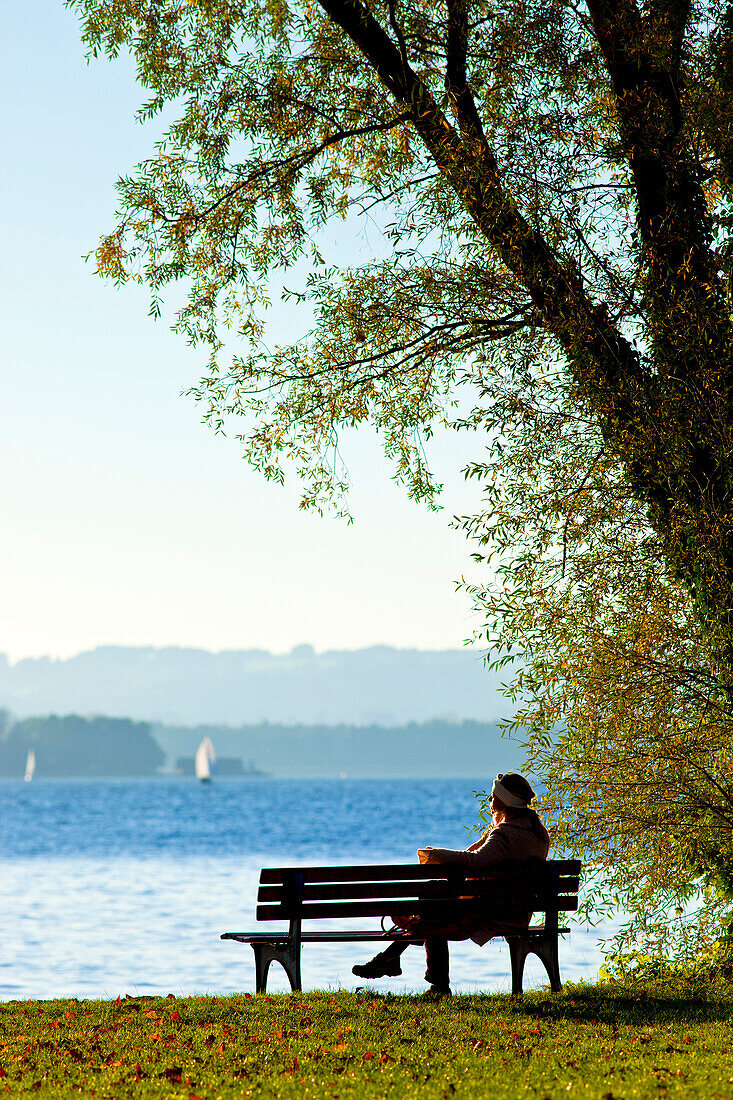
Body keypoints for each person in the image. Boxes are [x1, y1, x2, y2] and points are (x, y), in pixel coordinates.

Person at [352, 772, 550, 997]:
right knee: (433, 910)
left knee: (432, 911)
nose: (489, 801)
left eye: (493, 796)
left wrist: (438, 854)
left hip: (493, 913)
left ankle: (427, 979)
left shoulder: (506, 834)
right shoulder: (537, 832)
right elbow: (479, 855)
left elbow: (476, 860)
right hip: (516, 910)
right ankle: (397, 961)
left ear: (504, 801)